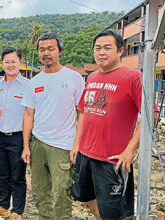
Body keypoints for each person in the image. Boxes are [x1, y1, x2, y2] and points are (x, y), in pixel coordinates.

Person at [69, 30, 146, 220]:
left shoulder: (133, 77)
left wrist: (130, 150)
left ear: (120, 50)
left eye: (107, 48)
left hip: (112, 158)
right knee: (84, 196)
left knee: (115, 210)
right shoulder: (92, 77)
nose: (101, 52)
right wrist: (76, 144)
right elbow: (83, 112)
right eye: (98, 48)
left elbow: (149, 115)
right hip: (86, 153)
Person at [21, 32, 85, 220]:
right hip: (37, 144)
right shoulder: (35, 82)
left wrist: (76, 144)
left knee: (61, 194)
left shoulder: (74, 78)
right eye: (42, 49)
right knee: (40, 192)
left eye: (51, 48)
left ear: (60, 51)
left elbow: (82, 114)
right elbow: (28, 115)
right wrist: (26, 145)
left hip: (63, 146)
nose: (46, 53)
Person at [0, 47, 29, 220]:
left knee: (18, 175)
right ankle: (4, 205)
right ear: (2, 63)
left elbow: (31, 113)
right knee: (2, 173)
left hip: (18, 137)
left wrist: (27, 143)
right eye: (7, 62)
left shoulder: (28, 86)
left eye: (14, 61)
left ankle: (17, 211)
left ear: (20, 63)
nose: (10, 65)